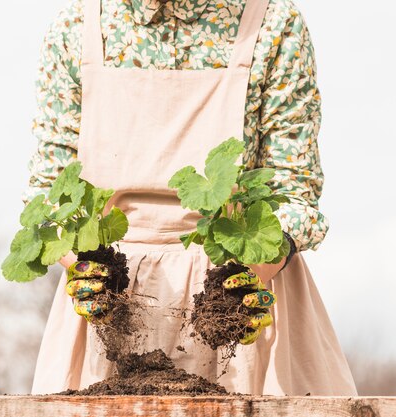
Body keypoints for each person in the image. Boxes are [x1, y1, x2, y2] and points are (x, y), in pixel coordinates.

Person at [22, 0, 358, 396]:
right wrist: (85, 268)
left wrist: (248, 283)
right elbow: (50, 194)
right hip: (107, 314)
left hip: (240, 302)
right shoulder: (77, 27)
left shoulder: (272, 23)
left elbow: (293, 190)